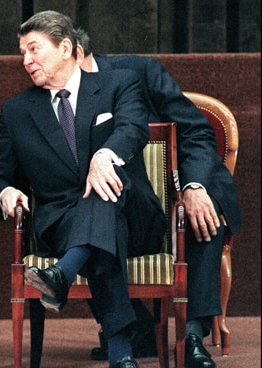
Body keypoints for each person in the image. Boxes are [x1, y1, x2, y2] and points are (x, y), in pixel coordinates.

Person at [0, 10, 166, 368]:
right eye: (22, 53)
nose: (26, 60)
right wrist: (4, 193)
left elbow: (133, 128)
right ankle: (121, 353)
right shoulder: (17, 111)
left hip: (137, 217)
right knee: (103, 224)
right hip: (63, 225)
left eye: (33, 49)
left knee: (106, 186)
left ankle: (62, 275)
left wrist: (105, 155)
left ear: (65, 48)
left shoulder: (118, 84)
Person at [75, 27, 243, 368]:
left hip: (179, 185)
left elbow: (195, 132)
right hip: (125, 198)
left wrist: (193, 188)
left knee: (201, 212)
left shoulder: (140, 71)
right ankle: (137, 330)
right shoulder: (57, 95)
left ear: (73, 52)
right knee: (88, 217)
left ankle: (192, 337)